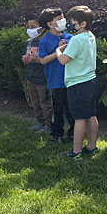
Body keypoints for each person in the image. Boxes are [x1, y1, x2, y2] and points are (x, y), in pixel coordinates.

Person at [55, 6, 99, 159]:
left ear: (83, 24)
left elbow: (63, 60)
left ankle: (76, 151)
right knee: (91, 115)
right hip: (91, 81)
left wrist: (58, 50)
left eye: (72, 21)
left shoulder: (76, 40)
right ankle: (91, 147)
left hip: (77, 83)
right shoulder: (90, 36)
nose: (69, 24)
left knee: (79, 118)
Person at [37, 8, 74, 143]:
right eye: (58, 20)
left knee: (71, 107)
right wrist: (58, 50)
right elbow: (42, 60)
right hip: (56, 79)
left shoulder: (69, 37)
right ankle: (56, 132)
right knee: (58, 107)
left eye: (63, 18)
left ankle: (73, 133)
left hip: (70, 79)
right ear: (50, 24)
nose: (63, 21)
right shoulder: (45, 40)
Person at [21, 17, 51, 134]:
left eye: (33, 27)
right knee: (35, 102)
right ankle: (40, 122)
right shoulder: (29, 42)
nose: (30, 30)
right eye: (28, 27)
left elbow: (47, 59)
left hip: (42, 78)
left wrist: (36, 60)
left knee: (45, 103)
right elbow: (24, 55)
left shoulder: (45, 42)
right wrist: (24, 58)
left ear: (42, 28)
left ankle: (48, 125)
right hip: (30, 76)